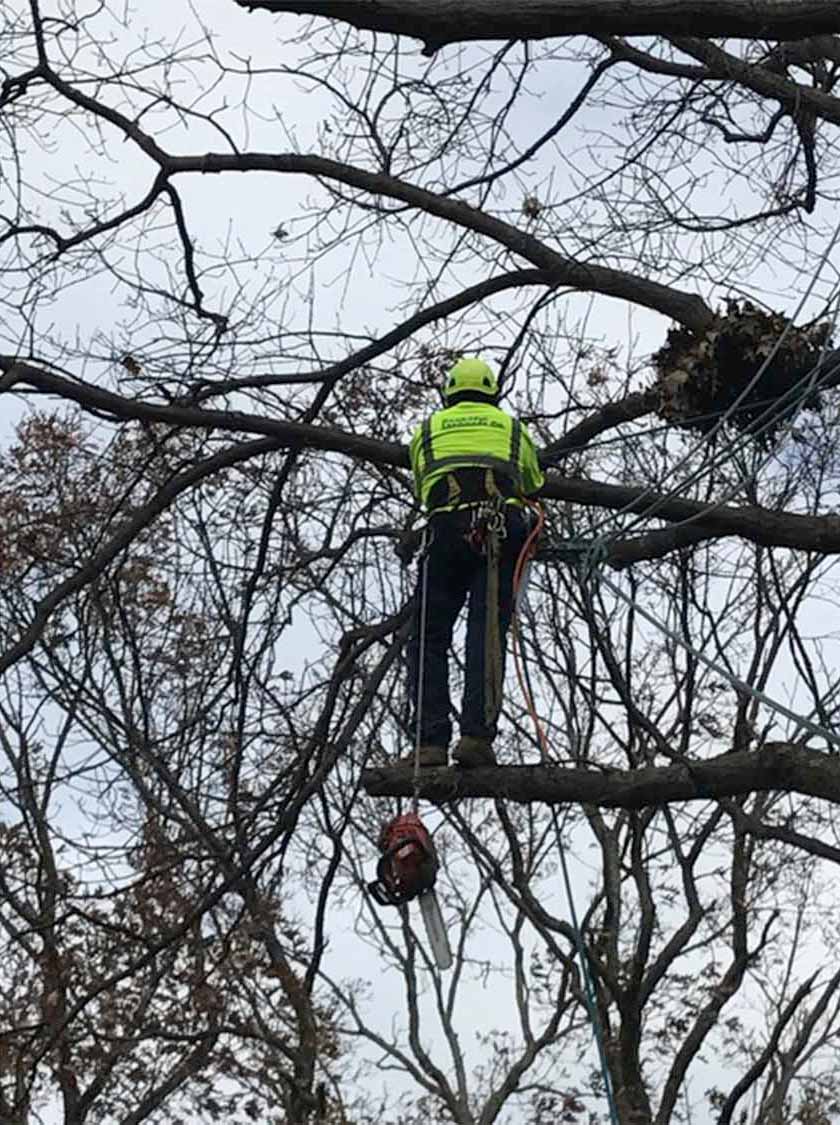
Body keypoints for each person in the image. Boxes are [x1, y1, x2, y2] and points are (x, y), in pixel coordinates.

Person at [403, 356, 544, 768]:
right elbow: (533, 481)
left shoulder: (428, 430)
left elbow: (422, 486)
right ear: (492, 394)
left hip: (444, 532)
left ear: (448, 394)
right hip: (499, 531)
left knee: (428, 636)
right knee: (486, 632)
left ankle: (429, 742)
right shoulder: (512, 429)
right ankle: (476, 738)